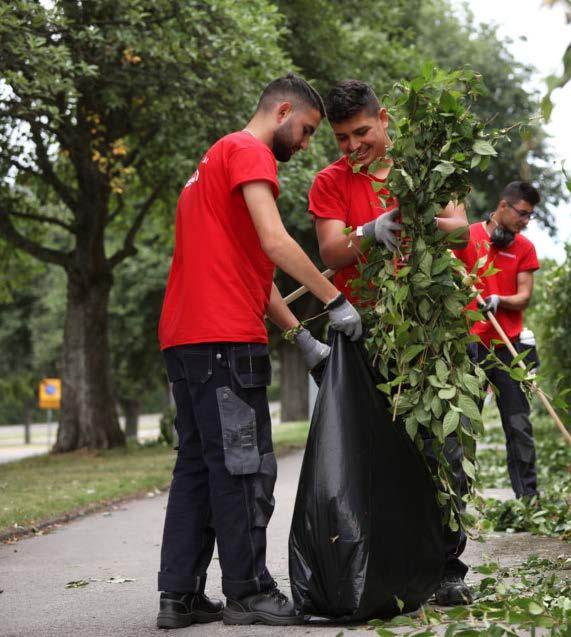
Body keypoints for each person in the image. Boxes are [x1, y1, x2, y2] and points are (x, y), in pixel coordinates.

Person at [155, 74, 363, 629]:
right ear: (283, 111)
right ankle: (249, 591)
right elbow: (276, 242)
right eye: (306, 131)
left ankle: (179, 596)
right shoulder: (249, 152)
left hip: (187, 338)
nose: (304, 144)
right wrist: (335, 299)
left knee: (198, 468)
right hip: (224, 341)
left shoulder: (210, 167)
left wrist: (303, 336)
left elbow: (254, 268)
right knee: (245, 469)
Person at [307, 79, 472, 606]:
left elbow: (462, 230)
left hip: (427, 329)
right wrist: (369, 230)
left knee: (439, 450)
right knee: (373, 452)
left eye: (361, 133)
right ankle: (387, 565)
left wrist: (420, 220)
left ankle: (449, 567)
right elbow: (332, 252)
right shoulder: (329, 182)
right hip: (365, 331)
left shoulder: (423, 168)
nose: (353, 147)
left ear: (384, 119)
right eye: (340, 139)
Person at [454, 181, 541, 500]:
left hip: (509, 348)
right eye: (522, 213)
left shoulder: (524, 247)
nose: (525, 221)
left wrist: (499, 300)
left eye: (530, 216)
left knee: (519, 425)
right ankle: (458, 500)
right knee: (464, 426)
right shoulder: (467, 237)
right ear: (503, 206)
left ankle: (529, 498)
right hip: (471, 347)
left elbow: (525, 295)